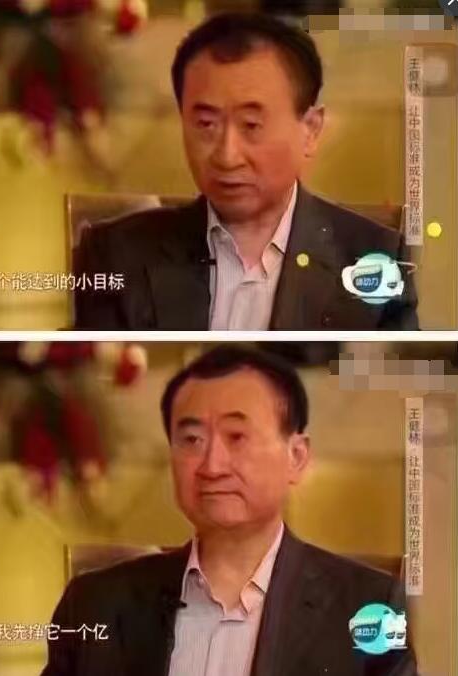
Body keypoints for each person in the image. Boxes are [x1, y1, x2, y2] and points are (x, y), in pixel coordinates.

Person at [41, 345, 418, 676]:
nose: (212, 465)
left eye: (237, 437)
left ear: (296, 457)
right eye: (192, 439)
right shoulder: (93, 605)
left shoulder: (370, 607)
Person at [74, 12, 418, 330]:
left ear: (310, 130)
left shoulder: (377, 259)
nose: (227, 156)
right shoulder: (115, 255)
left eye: (251, 125)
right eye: (205, 124)